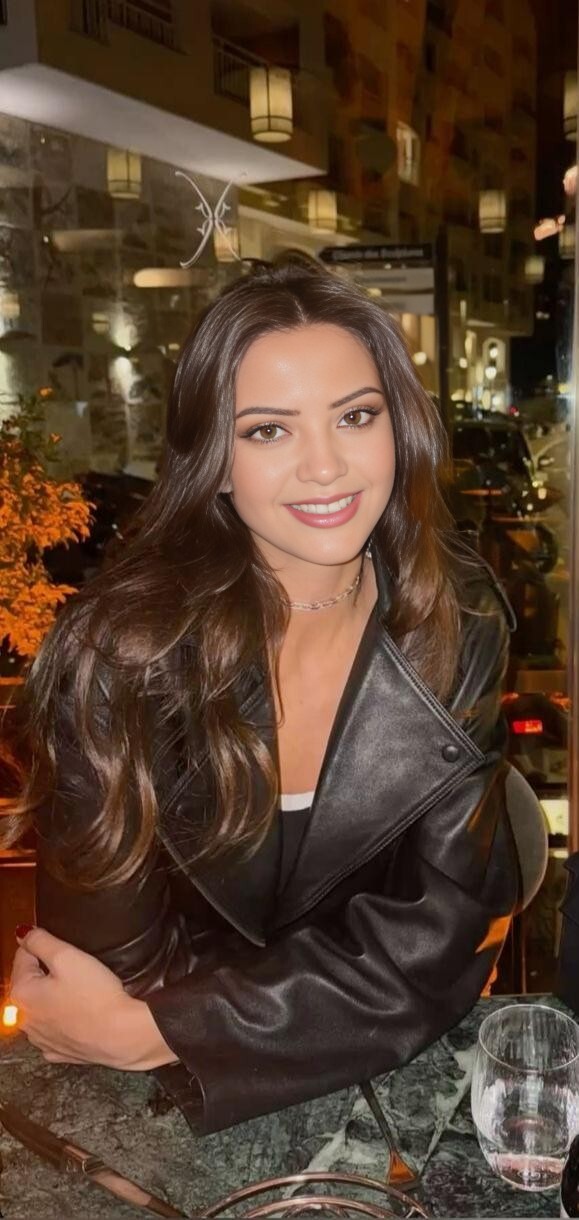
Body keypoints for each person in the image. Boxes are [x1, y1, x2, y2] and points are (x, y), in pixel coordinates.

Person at [3, 254, 518, 1135]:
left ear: (398, 429)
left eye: (354, 416)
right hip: (165, 1109)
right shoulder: (121, 653)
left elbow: (438, 938)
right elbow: (103, 974)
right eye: (268, 430)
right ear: (214, 462)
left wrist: (171, 1029)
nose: (325, 466)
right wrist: (178, 1030)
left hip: (366, 1084)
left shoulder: (455, 618)